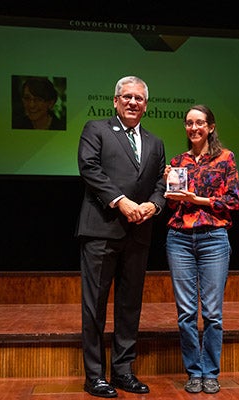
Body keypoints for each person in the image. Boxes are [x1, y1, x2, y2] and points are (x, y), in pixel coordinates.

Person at [76, 76, 166, 398]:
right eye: (126, 97)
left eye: (138, 98)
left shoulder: (155, 142)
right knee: (95, 306)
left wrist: (153, 206)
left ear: (145, 105)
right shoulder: (96, 129)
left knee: (130, 306)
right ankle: (95, 376)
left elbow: (159, 182)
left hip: (139, 231)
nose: (132, 102)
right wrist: (121, 201)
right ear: (115, 101)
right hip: (101, 230)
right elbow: (89, 168)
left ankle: (124, 371)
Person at [164, 104, 239, 395]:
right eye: (188, 123)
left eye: (199, 123)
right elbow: (172, 204)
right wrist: (168, 186)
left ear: (210, 127)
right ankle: (194, 372)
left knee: (212, 313)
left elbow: (233, 201)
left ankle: (210, 372)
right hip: (180, 238)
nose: (193, 128)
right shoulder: (177, 162)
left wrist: (199, 201)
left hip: (213, 238)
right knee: (185, 313)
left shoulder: (225, 158)